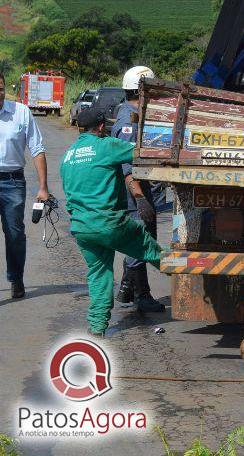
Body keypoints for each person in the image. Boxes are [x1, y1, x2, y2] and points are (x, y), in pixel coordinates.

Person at [61, 106, 166, 336]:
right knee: (148, 247)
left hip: (82, 228)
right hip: (110, 223)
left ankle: (97, 327)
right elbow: (140, 151)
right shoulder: (106, 145)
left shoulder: (68, 156)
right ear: (101, 127)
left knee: (99, 275)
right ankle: (182, 270)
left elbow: (69, 197)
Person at [111, 66, 165, 312]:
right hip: (134, 192)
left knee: (141, 239)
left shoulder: (133, 113)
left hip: (139, 190)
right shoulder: (128, 121)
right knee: (141, 242)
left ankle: (126, 290)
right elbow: (126, 165)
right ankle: (141, 295)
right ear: (143, 90)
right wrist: (140, 198)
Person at [0, 73, 50, 300]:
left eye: (0, 88)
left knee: (15, 234)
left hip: (12, 181)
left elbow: (37, 149)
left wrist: (43, 187)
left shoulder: (21, 112)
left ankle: (16, 277)